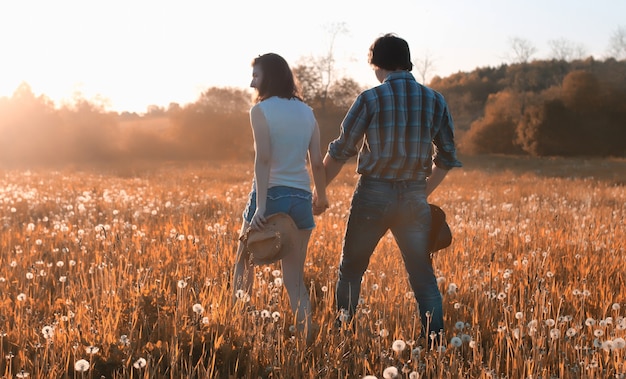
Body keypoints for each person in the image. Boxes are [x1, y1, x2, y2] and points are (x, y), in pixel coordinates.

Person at [314, 33, 462, 347]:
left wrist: (317, 190)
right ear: (407, 62)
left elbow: (342, 151)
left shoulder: (370, 98)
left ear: (376, 64)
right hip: (412, 197)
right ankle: (434, 343)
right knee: (422, 276)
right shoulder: (435, 100)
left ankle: (344, 337)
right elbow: (447, 158)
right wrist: (422, 192)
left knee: (352, 269)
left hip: (373, 194)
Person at [232, 53, 328, 339]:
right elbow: (317, 161)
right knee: (294, 279)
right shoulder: (308, 113)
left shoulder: (260, 111)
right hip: (300, 198)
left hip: (270, 195)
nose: (252, 83)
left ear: (268, 77)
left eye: (256, 76)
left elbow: (263, 159)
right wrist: (321, 197)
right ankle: (307, 337)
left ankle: (238, 329)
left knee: (243, 266)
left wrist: (261, 206)